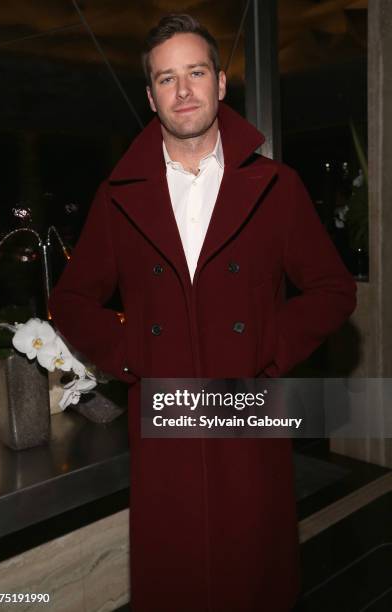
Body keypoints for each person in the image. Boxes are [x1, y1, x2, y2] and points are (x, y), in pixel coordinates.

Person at [49, 13, 356, 612]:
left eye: (195, 72)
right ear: (150, 97)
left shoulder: (276, 185)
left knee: (254, 576)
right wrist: (129, 352)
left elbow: (331, 289)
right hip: (165, 421)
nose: (183, 89)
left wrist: (268, 344)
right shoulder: (119, 196)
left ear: (220, 84)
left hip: (247, 410)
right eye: (167, 78)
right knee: (177, 580)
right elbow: (71, 300)